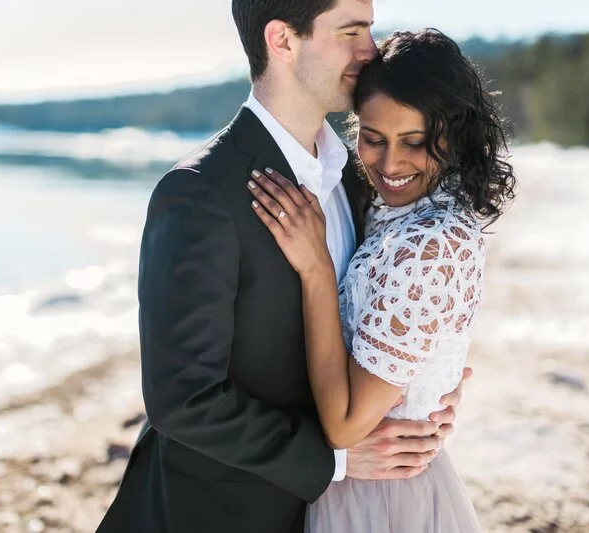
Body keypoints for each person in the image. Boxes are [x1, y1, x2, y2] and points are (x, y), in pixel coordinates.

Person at [97, 2, 471, 533]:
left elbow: (391, 313)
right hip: (217, 514)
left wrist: (423, 394)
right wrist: (335, 462)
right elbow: (182, 400)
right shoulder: (200, 192)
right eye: (351, 31)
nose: (370, 50)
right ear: (283, 40)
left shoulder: (357, 178)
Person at [247, 29, 516, 532]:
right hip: (371, 482)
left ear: (452, 136)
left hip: (381, 498)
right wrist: (437, 385)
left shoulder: (431, 244)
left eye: (414, 143)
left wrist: (317, 272)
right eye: (372, 139)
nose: (389, 165)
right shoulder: (395, 210)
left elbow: (346, 426)